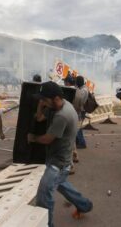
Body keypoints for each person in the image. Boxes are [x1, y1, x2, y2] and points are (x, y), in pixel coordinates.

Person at [28, 81, 93, 227]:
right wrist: (40, 106)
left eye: (44, 99)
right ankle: (84, 205)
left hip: (59, 163)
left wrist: (32, 138)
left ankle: (46, 224)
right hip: (56, 157)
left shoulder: (62, 115)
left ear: (55, 97)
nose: (42, 101)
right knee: (61, 184)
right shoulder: (54, 106)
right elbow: (39, 118)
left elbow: (47, 139)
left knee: (44, 196)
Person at [73, 75, 89, 149]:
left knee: (78, 127)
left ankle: (82, 143)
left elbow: (80, 100)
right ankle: (78, 142)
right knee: (77, 127)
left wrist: (76, 89)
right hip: (80, 110)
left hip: (81, 110)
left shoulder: (83, 90)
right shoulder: (83, 88)